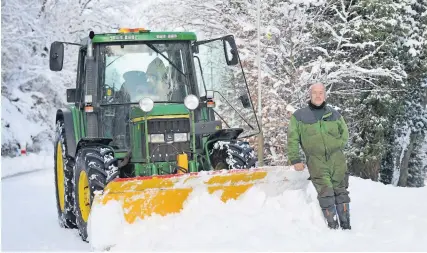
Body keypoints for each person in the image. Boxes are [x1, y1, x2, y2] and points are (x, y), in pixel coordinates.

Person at [286, 82, 351, 230]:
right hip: (316, 160)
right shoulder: (299, 116)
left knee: (341, 191)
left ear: (325, 95)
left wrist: (336, 146)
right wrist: (295, 159)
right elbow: (292, 139)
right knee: (326, 192)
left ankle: (346, 226)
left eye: (321, 92)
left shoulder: (334, 114)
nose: (318, 95)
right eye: (315, 92)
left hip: (337, 159)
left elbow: (345, 134)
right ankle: (333, 227)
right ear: (310, 95)